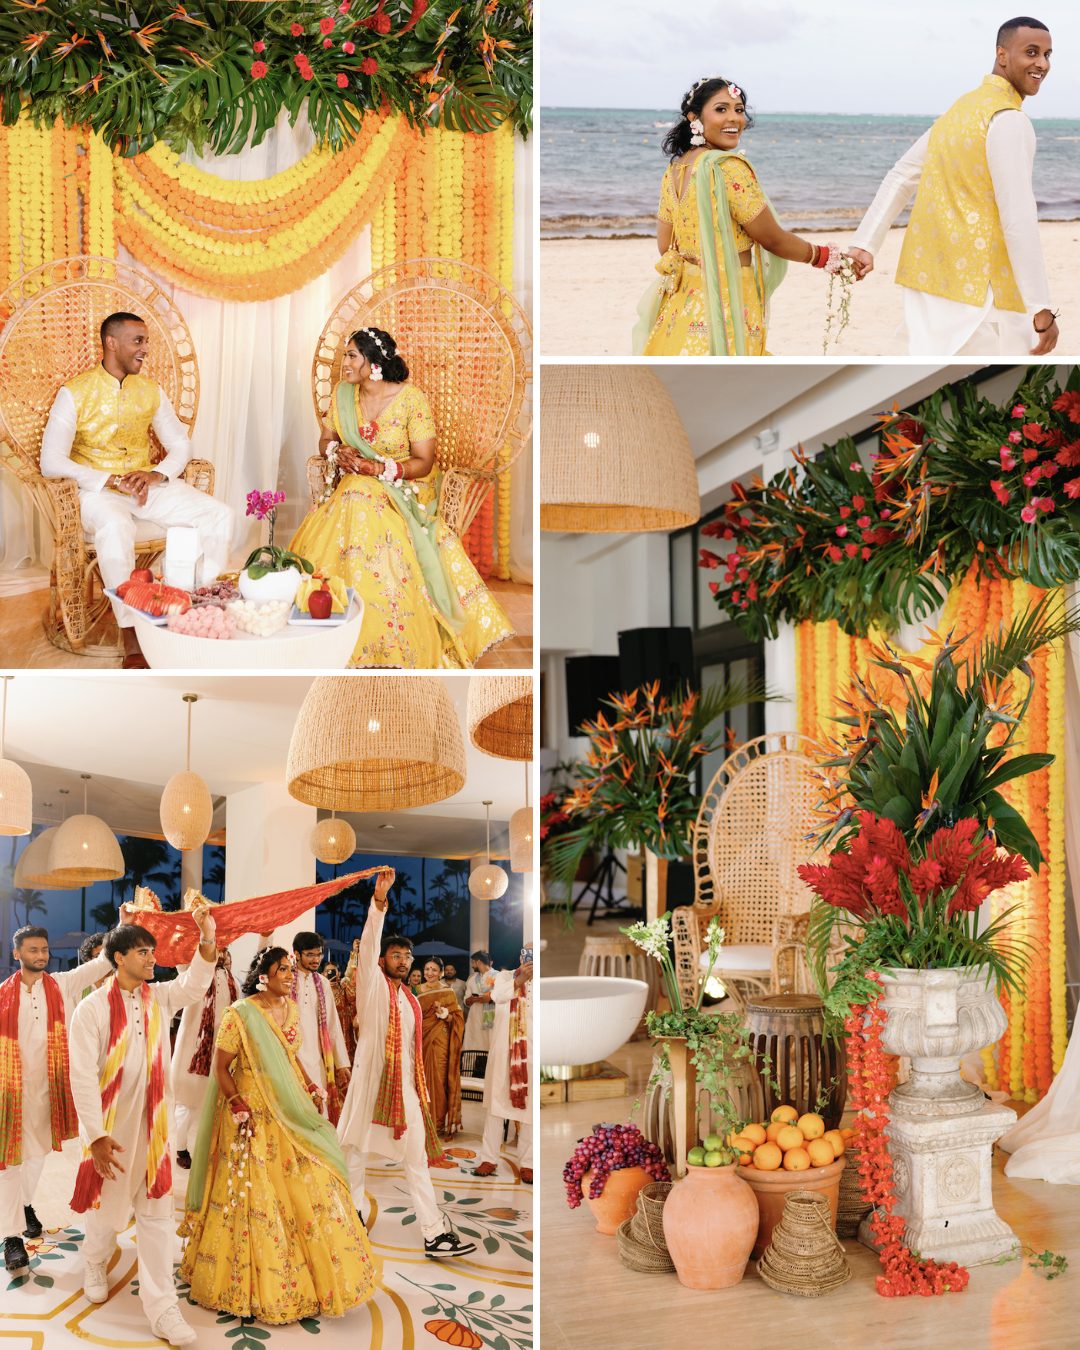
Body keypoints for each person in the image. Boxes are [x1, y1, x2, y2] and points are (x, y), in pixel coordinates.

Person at [288, 326, 514, 668]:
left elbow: (424, 463)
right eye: (344, 355)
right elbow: (325, 440)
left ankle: (379, 626)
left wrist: (378, 470)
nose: (343, 363)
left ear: (374, 363)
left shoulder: (411, 399)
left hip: (405, 487)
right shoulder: (343, 395)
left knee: (359, 492)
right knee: (355, 491)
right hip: (354, 486)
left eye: (351, 355)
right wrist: (338, 451)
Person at [179, 946, 376, 1324]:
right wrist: (237, 1103)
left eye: (290, 969)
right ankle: (243, 1285)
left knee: (306, 1179)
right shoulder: (239, 1014)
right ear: (263, 976)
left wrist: (310, 1085)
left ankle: (308, 1277)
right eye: (282, 969)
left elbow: (289, 1055)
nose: (289, 975)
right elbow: (221, 1066)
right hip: (250, 1113)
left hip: (287, 1107)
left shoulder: (292, 1009)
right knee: (254, 1192)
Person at [848, 18, 1058, 357]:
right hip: (981, 300)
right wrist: (1041, 307)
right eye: (1031, 52)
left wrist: (865, 242)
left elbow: (902, 174)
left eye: (1048, 54)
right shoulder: (1008, 119)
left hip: (927, 285)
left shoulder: (959, 110)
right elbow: (1018, 218)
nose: (1042, 63)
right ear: (1001, 55)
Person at [39, 312, 234, 668]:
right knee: (116, 528)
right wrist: (107, 480)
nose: (146, 349)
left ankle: (191, 604)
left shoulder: (150, 391)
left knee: (219, 514)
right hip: (96, 492)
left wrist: (157, 474)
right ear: (111, 343)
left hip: (144, 488)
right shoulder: (75, 392)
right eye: (138, 341)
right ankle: (132, 637)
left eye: (146, 341)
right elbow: (51, 461)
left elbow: (179, 444)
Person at [68, 903, 218, 1349]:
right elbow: (81, 1076)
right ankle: (94, 1260)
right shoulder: (91, 1010)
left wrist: (206, 936)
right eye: (143, 952)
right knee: (106, 1211)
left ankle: (162, 1307)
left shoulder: (159, 996)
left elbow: (194, 986)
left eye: (153, 952)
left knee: (155, 1216)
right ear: (118, 958)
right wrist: (94, 1136)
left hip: (154, 1130)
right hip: (111, 1130)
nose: (153, 959)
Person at [636, 77, 854, 356]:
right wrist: (825, 257)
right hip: (727, 298)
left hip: (682, 301)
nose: (734, 119)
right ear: (695, 117)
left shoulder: (676, 169)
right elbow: (772, 239)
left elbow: (665, 246)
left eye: (739, 110)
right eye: (721, 109)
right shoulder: (726, 168)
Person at [336, 869, 477, 1259]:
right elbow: (367, 946)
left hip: (406, 1092)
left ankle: (433, 1233)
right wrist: (378, 904)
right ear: (382, 960)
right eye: (396, 955)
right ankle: (351, 1219)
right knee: (355, 1156)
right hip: (371, 1085)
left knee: (416, 1159)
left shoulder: (410, 998)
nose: (403, 960)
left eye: (407, 955)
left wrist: (419, 1088)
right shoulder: (373, 988)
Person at [0, 924, 115, 1275]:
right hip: (11, 1091)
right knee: (10, 1163)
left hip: (50, 1089)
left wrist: (123, 924)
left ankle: (25, 1205)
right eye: (32, 950)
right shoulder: (2, 995)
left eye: (44, 950)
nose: (41, 956)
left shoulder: (61, 985)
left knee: (37, 1156)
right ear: (17, 953)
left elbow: (102, 964)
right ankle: (11, 1238)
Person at [170, 947, 238, 1170]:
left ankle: (212, 1151)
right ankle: (180, 1147)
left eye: (225, 951)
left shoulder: (232, 980)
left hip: (221, 1050)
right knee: (187, 1103)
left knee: (215, 1104)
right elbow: (181, 961)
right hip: (194, 1051)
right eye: (218, 951)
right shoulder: (194, 976)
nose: (222, 955)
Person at [469, 952, 532, 1184]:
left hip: (531, 1056)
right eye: (527, 954)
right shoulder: (506, 977)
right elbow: (498, 996)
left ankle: (528, 1163)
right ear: (521, 956)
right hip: (504, 1055)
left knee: (529, 1113)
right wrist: (519, 980)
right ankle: (489, 1158)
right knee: (495, 1108)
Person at [289, 932, 351, 1124]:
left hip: (317, 1058)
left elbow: (332, 1024)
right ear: (297, 954)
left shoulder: (323, 983)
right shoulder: (285, 980)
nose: (316, 959)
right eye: (310, 955)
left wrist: (341, 1064)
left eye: (319, 954)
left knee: (318, 1111)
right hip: (291, 1056)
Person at [416, 958, 465, 1139]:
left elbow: (458, 1020)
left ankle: (437, 1124)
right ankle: (420, 1121)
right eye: (427, 969)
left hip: (441, 1041)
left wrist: (446, 1015)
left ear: (441, 972)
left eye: (434, 970)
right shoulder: (416, 990)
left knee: (439, 1081)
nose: (430, 973)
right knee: (421, 1080)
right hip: (421, 1040)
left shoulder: (448, 992)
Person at [462, 950, 497, 1054]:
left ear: (478, 962)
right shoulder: (472, 979)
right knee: (473, 1045)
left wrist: (489, 998)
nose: (472, 965)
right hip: (475, 1018)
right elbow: (466, 1000)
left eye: (473, 962)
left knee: (490, 1045)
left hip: (492, 1017)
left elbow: (501, 997)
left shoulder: (498, 976)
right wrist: (470, 1000)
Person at [77, 932, 110, 1000]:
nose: (104, 959)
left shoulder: (120, 982)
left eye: (106, 955)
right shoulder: (80, 988)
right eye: (98, 956)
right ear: (88, 960)